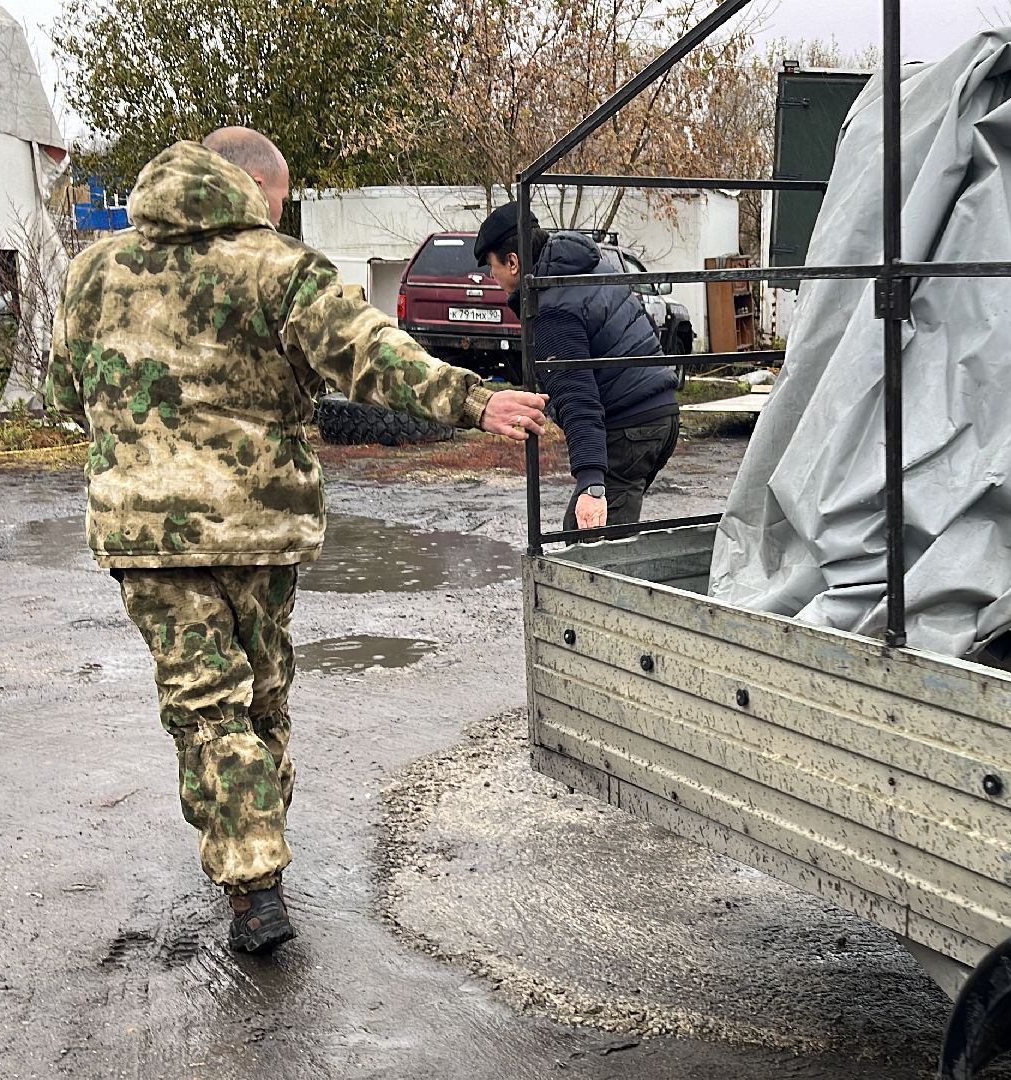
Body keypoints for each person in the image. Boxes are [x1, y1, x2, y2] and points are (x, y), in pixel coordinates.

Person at [43, 128, 547, 954]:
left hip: (145, 532)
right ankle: (256, 878)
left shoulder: (94, 270)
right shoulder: (281, 266)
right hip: (260, 525)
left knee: (205, 707)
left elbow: (70, 392)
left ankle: (251, 868)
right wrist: (474, 401)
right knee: (260, 698)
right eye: (279, 199)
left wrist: (139, 439)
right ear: (257, 187)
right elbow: (366, 353)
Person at [475, 203, 680, 533]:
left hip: (630, 429)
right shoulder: (589, 271)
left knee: (590, 548)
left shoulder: (554, 309)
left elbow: (578, 399)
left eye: (491, 267)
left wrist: (591, 482)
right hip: (661, 416)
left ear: (513, 263)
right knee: (600, 536)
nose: (492, 277)